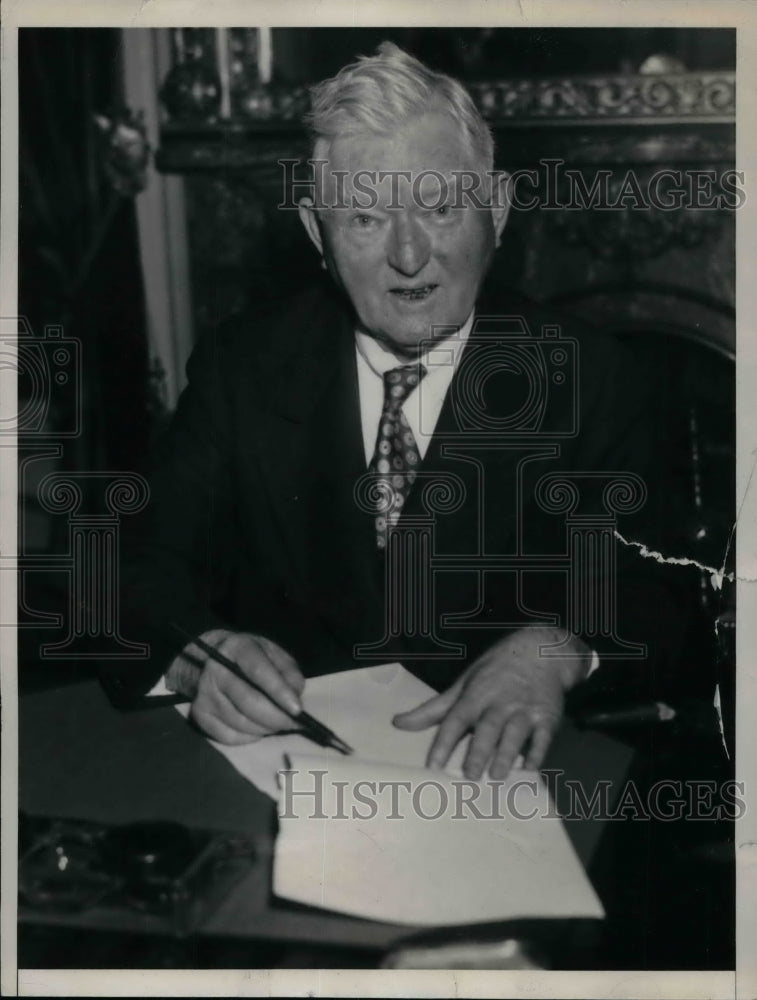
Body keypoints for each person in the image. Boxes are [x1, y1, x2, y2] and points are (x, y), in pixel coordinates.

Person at [109, 42, 683, 781]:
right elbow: (135, 565)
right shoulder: (243, 366)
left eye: (440, 207)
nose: (409, 255)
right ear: (318, 235)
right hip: (285, 781)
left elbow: (665, 598)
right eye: (366, 219)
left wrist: (557, 647)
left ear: (497, 211)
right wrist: (196, 656)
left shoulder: (594, 375)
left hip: (511, 792)